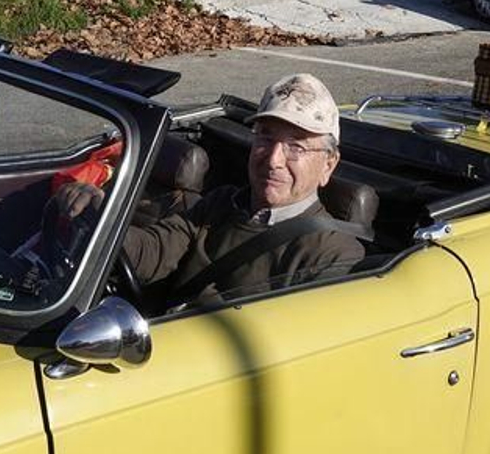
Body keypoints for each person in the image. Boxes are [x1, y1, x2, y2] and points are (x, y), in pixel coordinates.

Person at [47, 73, 367, 309]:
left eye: (296, 146)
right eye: (265, 139)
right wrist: (103, 211)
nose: (274, 159)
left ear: (328, 165)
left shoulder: (333, 256)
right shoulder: (220, 204)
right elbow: (151, 251)